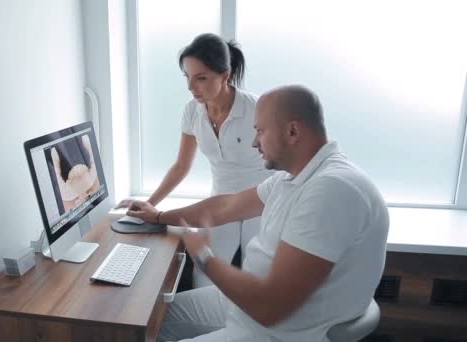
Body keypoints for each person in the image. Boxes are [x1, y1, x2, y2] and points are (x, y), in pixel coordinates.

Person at [127, 85, 390, 341]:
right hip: (246, 302)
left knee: (147, 325)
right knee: (150, 320)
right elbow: (225, 207)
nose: (254, 142)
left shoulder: (331, 190)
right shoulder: (293, 178)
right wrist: (159, 216)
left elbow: (269, 308)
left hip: (274, 330)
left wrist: (205, 257)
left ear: (292, 131)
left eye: (260, 131)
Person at [117, 33, 275, 287]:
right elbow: (181, 166)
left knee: (255, 271)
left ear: (225, 75)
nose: (191, 87)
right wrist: (147, 205)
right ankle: (206, 323)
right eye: (188, 78)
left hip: (259, 201)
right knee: (203, 272)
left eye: (201, 78)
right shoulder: (192, 112)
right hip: (219, 201)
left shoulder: (256, 109)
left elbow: (282, 163)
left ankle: (244, 326)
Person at [50, 134, 100, 212]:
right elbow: (92, 158)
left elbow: (57, 174)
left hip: (66, 167)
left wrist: (54, 156)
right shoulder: (90, 181)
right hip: (78, 158)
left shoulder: (68, 195)